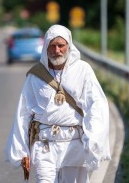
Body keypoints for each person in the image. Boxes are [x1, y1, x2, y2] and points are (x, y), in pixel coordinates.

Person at [6, 24, 110, 183]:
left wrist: (94, 140)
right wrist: (22, 151)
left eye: (61, 45)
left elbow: (96, 107)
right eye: (52, 46)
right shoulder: (35, 75)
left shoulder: (83, 71)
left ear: (69, 46)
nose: (57, 50)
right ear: (46, 47)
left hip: (74, 144)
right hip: (44, 145)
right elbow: (23, 113)